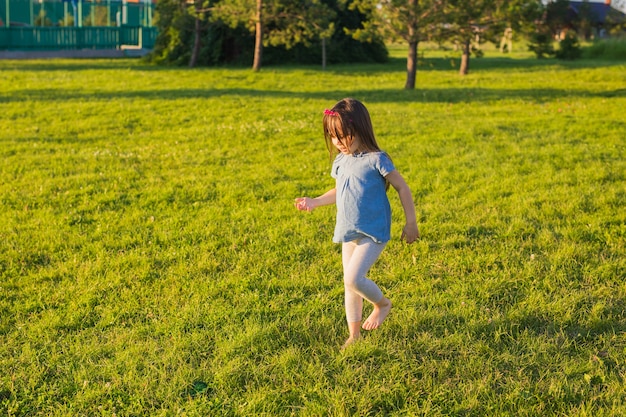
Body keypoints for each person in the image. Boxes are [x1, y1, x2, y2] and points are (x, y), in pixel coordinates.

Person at [295, 98, 420, 348]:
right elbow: (339, 190)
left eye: (343, 136)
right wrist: (315, 201)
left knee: (353, 278)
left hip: (374, 232)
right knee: (349, 284)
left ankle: (382, 304)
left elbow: (402, 187)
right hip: (348, 230)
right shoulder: (340, 160)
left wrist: (411, 222)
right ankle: (354, 335)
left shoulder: (377, 159)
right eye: (333, 137)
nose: (338, 142)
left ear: (360, 129)